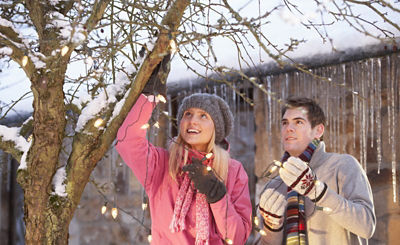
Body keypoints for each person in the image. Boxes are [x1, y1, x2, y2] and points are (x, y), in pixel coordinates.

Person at [116, 65, 252, 244]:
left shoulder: (233, 170)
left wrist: (217, 195)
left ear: (216, 128)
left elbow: (237, 237)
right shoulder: (162, 164)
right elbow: (127, 140)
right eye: (188, 114)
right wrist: (150, 95)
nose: (192, 120)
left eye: (203, 116)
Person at [258, 97, 376, 245]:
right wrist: (272, 228)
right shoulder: (274, 184)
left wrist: (318, 192)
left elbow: (366, 226)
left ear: (318, 130)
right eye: (285, 123)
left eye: (298, 122)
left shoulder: (342, 165)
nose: (289, 128)